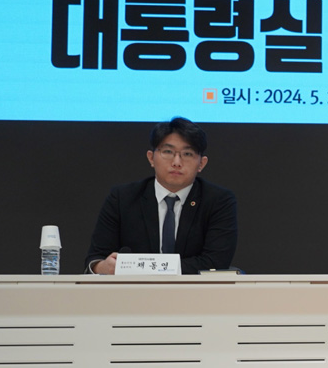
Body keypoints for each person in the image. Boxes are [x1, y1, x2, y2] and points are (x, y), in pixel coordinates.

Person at [86, 117, 238, 275]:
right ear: (151, 158)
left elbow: (215, 262)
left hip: (195, 290)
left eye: (187, 154)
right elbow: (96, 258)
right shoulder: (122, 198)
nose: (176, 162)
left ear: (201, 164)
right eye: (168, 152)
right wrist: (101, 267)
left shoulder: (218, 201)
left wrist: (142, 268)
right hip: (132, 289)